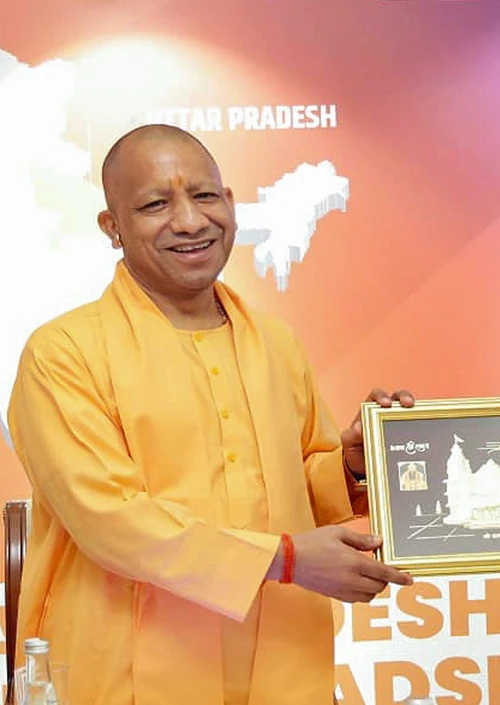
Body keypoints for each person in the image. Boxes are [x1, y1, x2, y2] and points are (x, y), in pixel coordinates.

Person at [7, 124, 414, 705]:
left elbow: (293, 489)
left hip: (282, 658)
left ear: (229, 203)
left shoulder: (275, 341)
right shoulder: (64, 352)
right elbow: (111, 520)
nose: (189, 221)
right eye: (155, 205)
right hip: (128, 668)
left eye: (203, 196)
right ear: (112, 227)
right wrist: (286, 560)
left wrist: (351, 466)